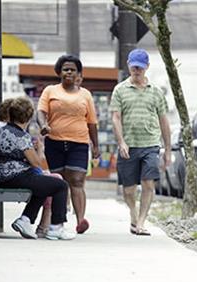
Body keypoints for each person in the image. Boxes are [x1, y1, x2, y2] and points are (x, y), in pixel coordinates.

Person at [110, 48, 171, 236]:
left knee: (148, 184)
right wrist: (121, 142)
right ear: (129, 65)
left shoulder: (156, 92)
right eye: (134, 67)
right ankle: (134, 215)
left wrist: (167, 149)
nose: (137, 71)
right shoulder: (120, 90)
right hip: (128, 146)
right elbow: (116, 118)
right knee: (128, 190)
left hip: (150, 145)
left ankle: (142, 222)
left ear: (147, 68)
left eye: (141, 68)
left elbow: (163, 120)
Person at [0, 97, 75, 240]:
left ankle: (25, 219)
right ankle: (56, 227)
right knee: (60, 185)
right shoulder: (21, 136)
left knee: (43, 184)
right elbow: (36, 163)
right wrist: (39, 149)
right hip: (16, 177)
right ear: (28, 117)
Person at [37, 54, 100, 234]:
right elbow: (40, 112)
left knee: (77, 180)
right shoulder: (50, 91)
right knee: (59, 182)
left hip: (79, 143)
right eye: (66, 69)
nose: (69, 72)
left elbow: (92, 122)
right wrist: (43, 125)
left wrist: (95, 146)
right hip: (54, 142)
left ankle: (81, 220)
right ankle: (58, 221)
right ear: (59, 72)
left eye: (73, 69)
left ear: (78, 73)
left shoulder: (85, 95)